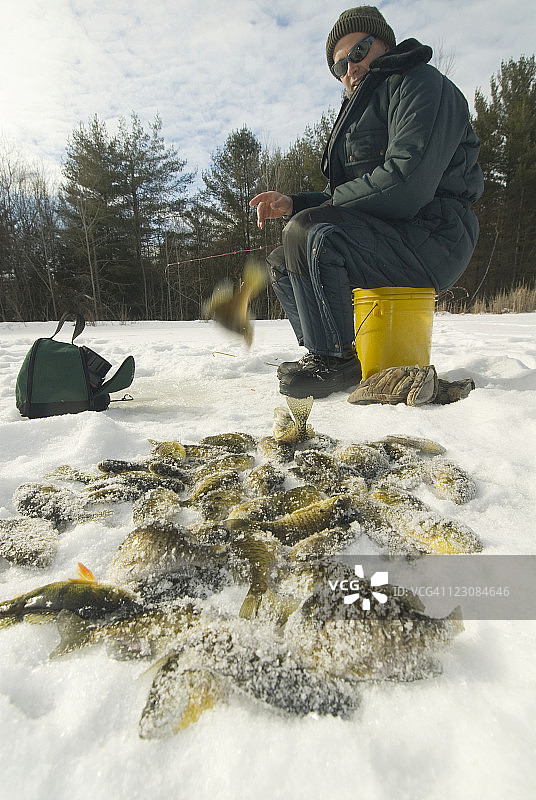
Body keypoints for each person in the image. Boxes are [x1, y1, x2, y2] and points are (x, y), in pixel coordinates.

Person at [250, 5, 484, 399]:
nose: (349, 69)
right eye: (339, 66)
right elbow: (354, 192)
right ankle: (326, 353)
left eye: (357, 53)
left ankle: (335, 362)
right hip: (392, 234)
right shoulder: (363, 108)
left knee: (310, 235)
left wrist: (311, 217)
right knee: (283, 261)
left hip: (434, 236)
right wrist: (294, 203)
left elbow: (405, 183)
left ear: (383, 43)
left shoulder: (420, 83)